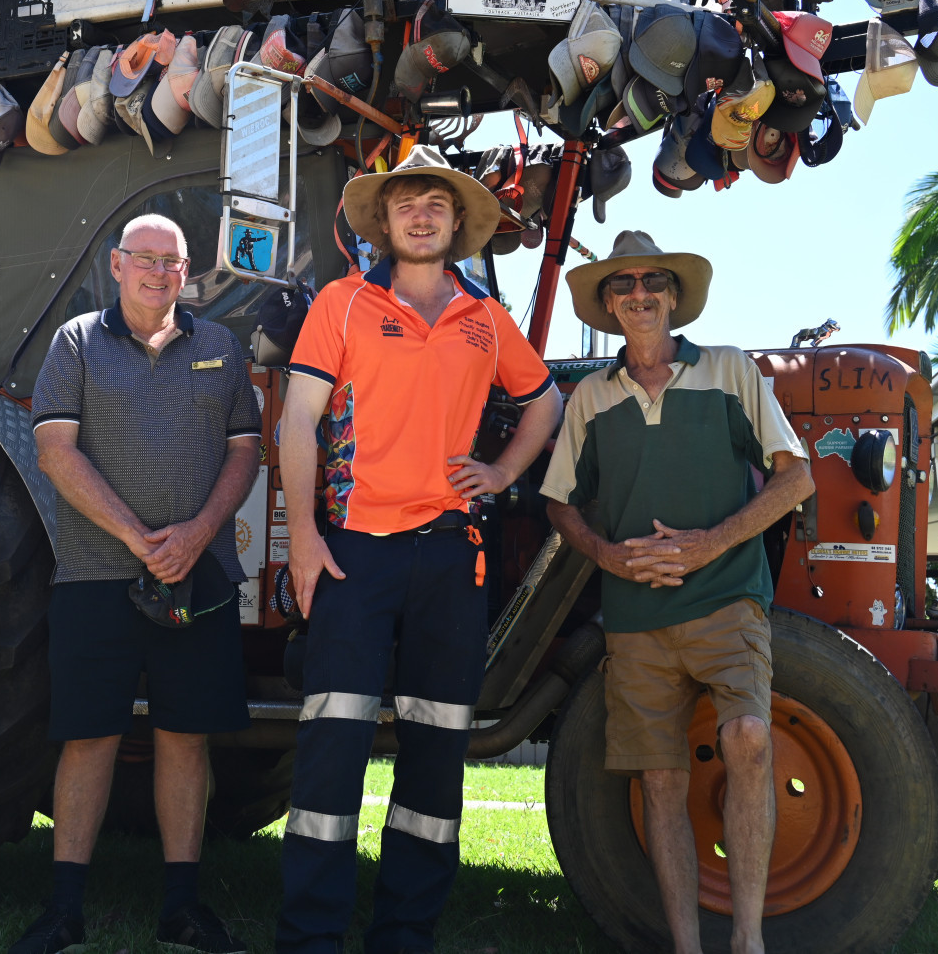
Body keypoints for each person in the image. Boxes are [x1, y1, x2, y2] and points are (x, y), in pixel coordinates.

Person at [275, 147, 564, 954]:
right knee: (331, 750)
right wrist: (303, 537)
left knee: (436, 761)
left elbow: (545, 405)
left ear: (456, 222)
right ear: (386, 219)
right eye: (407, 199)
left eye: (437, 200)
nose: (422, 211)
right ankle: (310, 938)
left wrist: (503, 471)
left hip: (451, 559)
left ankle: (404, 935)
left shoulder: (485, 319)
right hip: (354, 554)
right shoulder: (341, 302)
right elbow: (298, 419)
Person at [540, 230, 812, 954]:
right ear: (607, 303)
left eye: (652, 282)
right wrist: (607, 557)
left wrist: (707, 545)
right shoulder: (590, 398)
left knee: (750, 737)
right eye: (623, 284)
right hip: (634, 617)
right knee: (659, 780)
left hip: (726, 598)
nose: (639, 294)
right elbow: (560, 504)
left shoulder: (729, 371)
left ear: (673, 296)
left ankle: (747, 939)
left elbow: (797, 477)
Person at [9, 215, 262, 954]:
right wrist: (137, 537)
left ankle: (182, 910)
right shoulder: (76, 342)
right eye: (145, 258)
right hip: (96, 576)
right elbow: (55, 451)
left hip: (198, 576)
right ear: (117, 265)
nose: (159, 272)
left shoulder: (219, 346)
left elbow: (244, 453)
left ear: (188, 272)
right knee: (88, 737)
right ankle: (64, 912)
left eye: (172, 261)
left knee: (187, 738)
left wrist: (195, 534)